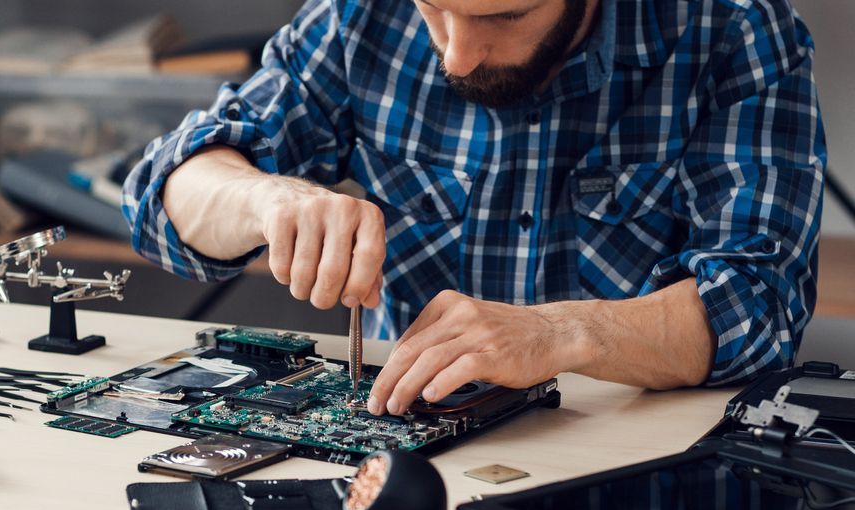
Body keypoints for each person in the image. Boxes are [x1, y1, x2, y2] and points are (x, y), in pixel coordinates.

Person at [123, 0, 825, 417]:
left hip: (634, 454)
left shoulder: (733, 26)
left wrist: (564, 333)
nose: (457, 57)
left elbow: (760, 304)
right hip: (414, 444)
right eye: (434, 9)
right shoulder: (361, 15)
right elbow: (159, 194)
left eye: (504, 15)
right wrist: (263, 196)